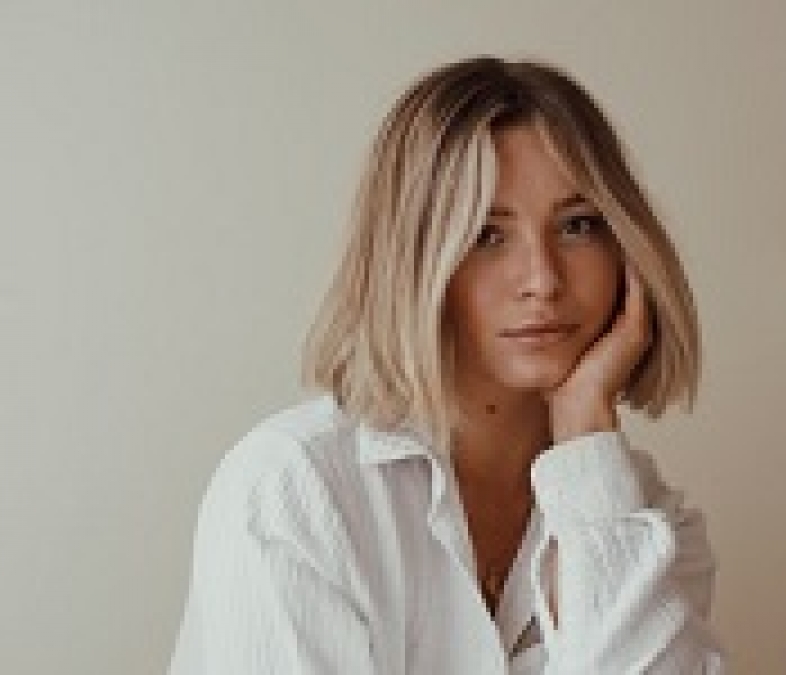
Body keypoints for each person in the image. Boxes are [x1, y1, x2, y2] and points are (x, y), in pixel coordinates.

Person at [168, 56, 724, 674]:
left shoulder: (638, 515)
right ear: (413, 260)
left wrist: (588, 434)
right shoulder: (293, 491)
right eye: (487, 235)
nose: (542, 279)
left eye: (577, 226)